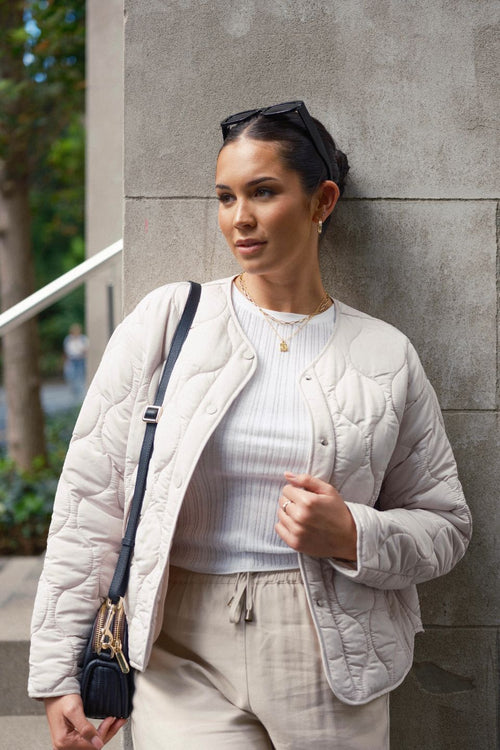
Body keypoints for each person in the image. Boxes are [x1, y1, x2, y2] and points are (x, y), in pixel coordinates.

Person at [29, 101, 472, 750]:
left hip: (331, 647)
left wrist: (353, 532)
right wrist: (58, 670)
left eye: (263, 193)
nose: (239, 218)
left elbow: (446, 524)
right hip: (179, 648)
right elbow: (90, 501)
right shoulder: (169, 321)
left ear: (322, 201)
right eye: (225, 196)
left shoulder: (384, 354)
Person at [63, 323, 89, 403]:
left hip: (80, 360)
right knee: (71, 376)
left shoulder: (83, 339)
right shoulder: (68, 339)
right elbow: (66, 350)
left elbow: (86, 349)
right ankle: (75, 393)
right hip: (72, 359)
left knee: (81, 376)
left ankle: (81, 395)